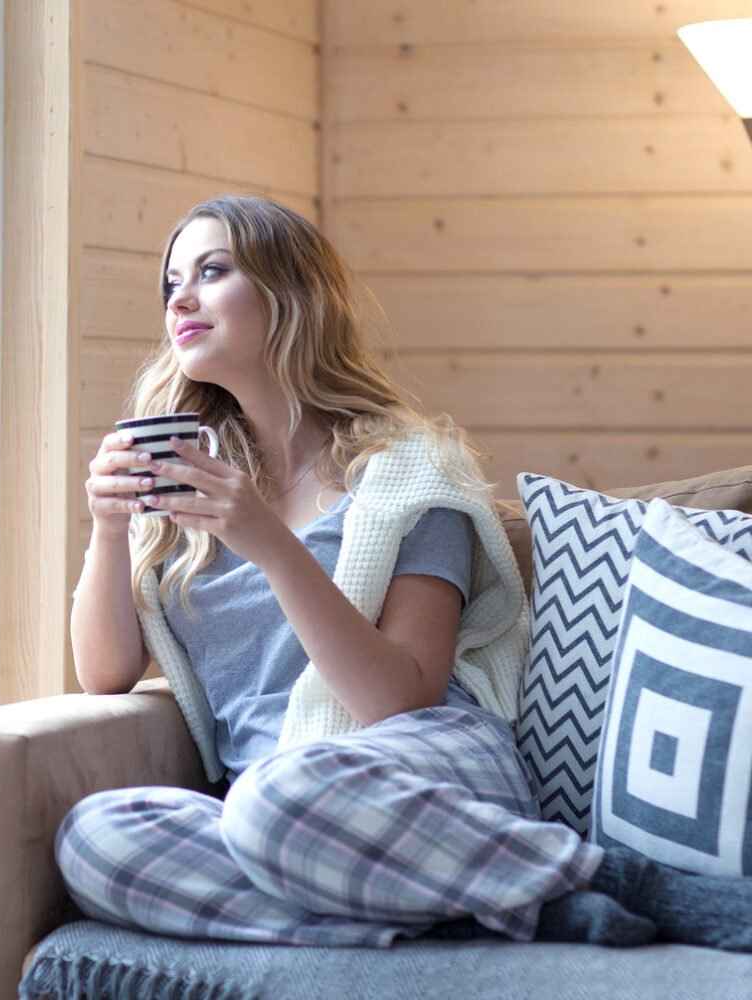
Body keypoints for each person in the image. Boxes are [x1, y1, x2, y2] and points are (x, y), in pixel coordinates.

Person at [60, 194, 752, 952]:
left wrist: (267, 541)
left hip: (423, 769)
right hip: (287, 811)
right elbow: (105, 673)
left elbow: (398, 698)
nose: (180, 298)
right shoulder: (192, 488)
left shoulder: (408, 472)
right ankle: (506, 907)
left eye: (212, 271)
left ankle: (619, 879)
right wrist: (110, 525)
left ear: (291, 294)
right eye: (170, 283)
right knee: (95, 837)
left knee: (277, 797)